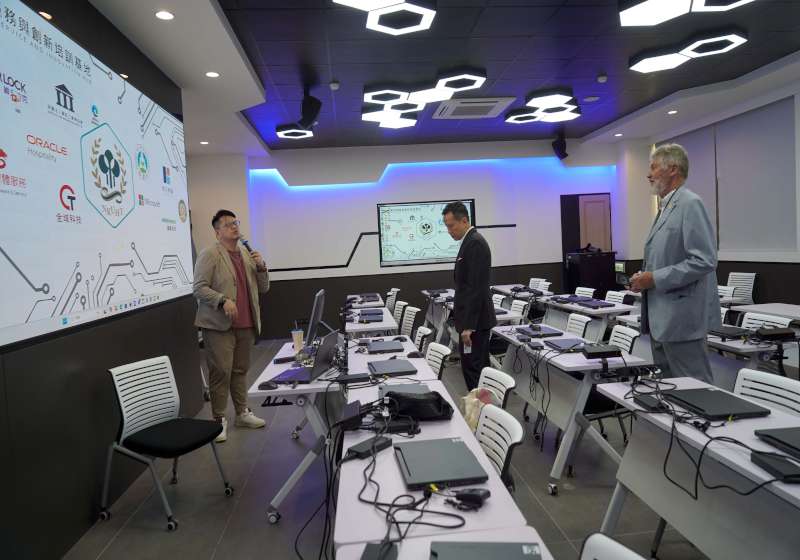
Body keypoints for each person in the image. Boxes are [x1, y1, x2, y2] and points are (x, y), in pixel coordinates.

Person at [630, 144, 720, 383]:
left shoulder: (690, 203)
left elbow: (704, 260)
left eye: (653, 167)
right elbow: (667, 258)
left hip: (681, 320)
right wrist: (643, 279)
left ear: (673, 169)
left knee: (695, 389)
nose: (648, 174)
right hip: (661, 319)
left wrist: (654, 278)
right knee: (670, 390)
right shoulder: (666, 206)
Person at [193, 210, 270, 441]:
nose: (234, 226)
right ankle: (218, 420)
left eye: (235, 222)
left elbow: (263, 288)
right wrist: (222, 300)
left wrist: (261, 267)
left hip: (246, 323)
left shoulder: (247, 254)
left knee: (240, 371)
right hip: (218, 325)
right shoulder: (210, 254)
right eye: (227, 224)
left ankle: (242, 413)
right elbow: (199, 288)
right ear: (217, 232)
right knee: (221, 372)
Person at [443, 201, 497, 391]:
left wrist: (469, 326)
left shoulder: (475, 243)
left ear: (464, 221)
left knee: (475, 370)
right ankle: (480, 406)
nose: (449, 231)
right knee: (473, 369)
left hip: (475, 324)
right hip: (472, 321)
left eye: (451, 226)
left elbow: (476, 288)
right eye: (447, 226)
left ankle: (482, 407)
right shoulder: (469, 241)